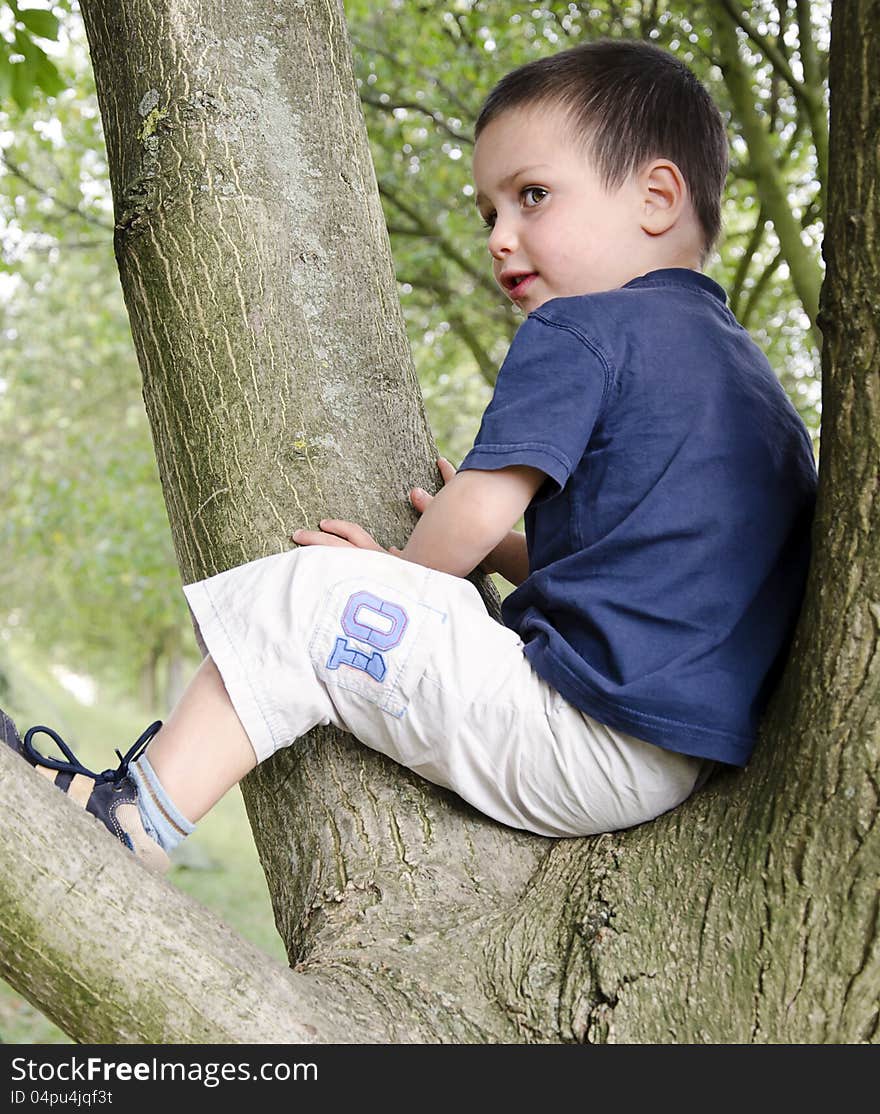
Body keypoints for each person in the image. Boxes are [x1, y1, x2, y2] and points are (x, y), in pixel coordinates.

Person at [7, 39, 818, 873]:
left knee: (310, 602)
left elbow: (477, 506)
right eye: (489, 214)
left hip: (577, 727)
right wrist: (502, 552)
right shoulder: (753, 391)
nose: (501, 238)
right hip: (671, 757)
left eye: (533, 196)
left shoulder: (585, 327)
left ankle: (132, 816)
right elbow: (646, 552)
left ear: (656, 196)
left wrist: (398, 569)